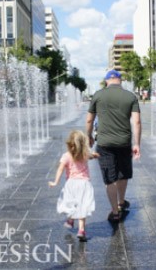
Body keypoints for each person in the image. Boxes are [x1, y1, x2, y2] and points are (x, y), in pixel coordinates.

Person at [86, 70, 141, 222]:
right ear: (120, 80)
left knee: (110, 179)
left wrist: (88, 136)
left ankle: (115, 212)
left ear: (106, 81)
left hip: (104, 143)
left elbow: (89, 120)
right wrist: (137, 144)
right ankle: (121, 202)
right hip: (124, 142)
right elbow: (136, 122)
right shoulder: (130, 96)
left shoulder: (98, 95)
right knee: (122, 173)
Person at [48, 130, 99, 242]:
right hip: (84, 184)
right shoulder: (85, 154)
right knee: (82, 206)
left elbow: (60, 169)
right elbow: (90, 156)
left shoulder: (66, 156)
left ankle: (70, 220)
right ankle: (81, 230)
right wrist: (95, 155)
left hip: (71, 184)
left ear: (69, 144)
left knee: (72, 204)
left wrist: (55, 182)